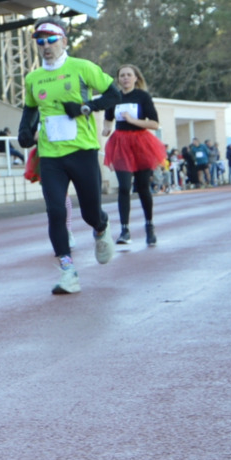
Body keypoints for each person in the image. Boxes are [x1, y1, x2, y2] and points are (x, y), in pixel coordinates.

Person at [16, 17, 116, 295]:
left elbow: (113, 94)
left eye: (51, 39)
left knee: (89, 212)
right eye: (40, 41)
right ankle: (68, 271)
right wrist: (24, 131)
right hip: (50, 156)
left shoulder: (82, 67)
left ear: (64, 41)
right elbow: (30, 110)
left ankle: (101, 227)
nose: (45, 46)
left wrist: (85, 108)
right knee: (56, 212)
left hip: (82, 151)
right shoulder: (33, 78)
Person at [96, 64, 166, 247]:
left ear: (136, 78)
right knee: (124, 187)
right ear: (118, 79)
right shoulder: (114, 97)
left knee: (143, 187)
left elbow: (154, 124)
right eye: (122, 75)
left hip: (141, 144)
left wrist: (133, 120)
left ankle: (149, 226)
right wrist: (106, 127)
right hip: (120, 145)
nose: (125, 78)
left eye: (129, 75)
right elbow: (108, 117)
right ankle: (124, 230)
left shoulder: (143, 97)